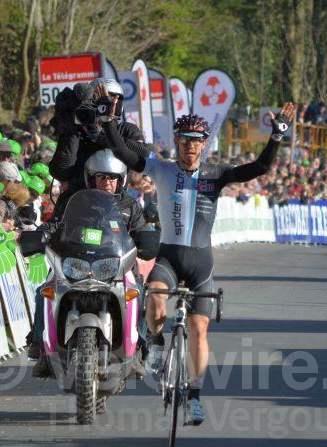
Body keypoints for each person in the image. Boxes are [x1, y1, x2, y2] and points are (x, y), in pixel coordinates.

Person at [101, 85, 296, 425]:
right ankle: (158, 343)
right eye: (185, 140)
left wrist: (276, 136)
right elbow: (122, 151)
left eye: (196, 141)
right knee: (156, 299)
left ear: (204, 144)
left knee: (198, 329)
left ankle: (194, 396)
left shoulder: (216, 175)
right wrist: (107, 121)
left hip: (201, 264)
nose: (190, 147)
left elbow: (260, 167)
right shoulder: (160, 169)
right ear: (176, 142)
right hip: (169, 258)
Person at [30, 149, 148, 377]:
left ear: (120, 180)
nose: (107, 182)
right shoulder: (75, 201)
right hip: (76, 263)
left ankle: (139, 347)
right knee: (43, 291)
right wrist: (42, 233)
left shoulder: (129, 206)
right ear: (91, 178)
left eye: (112, 177)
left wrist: (146, 239)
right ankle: (40, 346)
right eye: (102, 177)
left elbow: (143, 230)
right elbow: (56, 224)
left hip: (116, 266)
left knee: (139, 291)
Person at [49, 79, 151, 215]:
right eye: (96, 101)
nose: (102, 106)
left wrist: (102, 134)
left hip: (116, 207)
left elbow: (143, 153)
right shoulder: (79, 130)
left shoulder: (126, 130)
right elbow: (60, 172)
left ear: (118, 104)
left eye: (108, 101)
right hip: (77, 205)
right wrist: (69, 130)